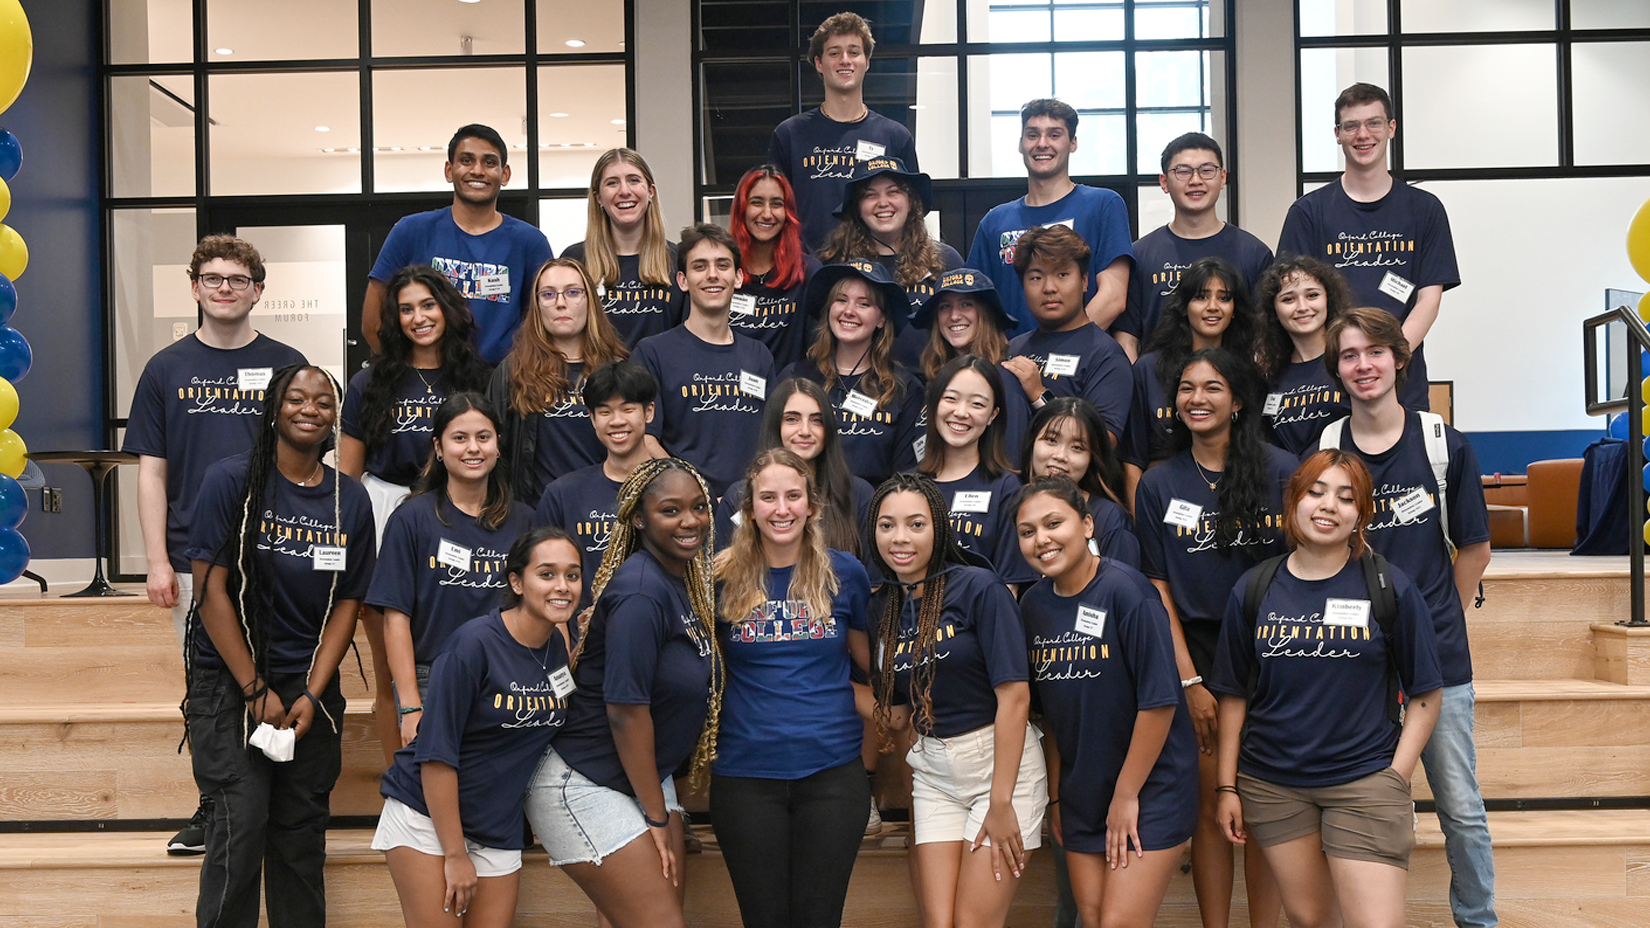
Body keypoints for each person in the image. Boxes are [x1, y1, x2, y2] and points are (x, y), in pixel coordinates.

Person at [123, 233, 308, 856]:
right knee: (210, 689)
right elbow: (152, 471)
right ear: (195, 286)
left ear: (258, 290)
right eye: (213, 278)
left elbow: (308, 458)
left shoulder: (287, 364)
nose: (225, 288)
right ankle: (215, 807)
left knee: (280, 675)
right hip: (195, 559)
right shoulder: (165, 369)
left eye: (237, 279)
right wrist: (155, 562)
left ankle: (279, 804)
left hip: (279, 552)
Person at [1316, 306, 1495, 928]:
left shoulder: (1441, 443)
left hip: (1438, 659)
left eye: (1374, 352)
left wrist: (1437, 616)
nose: (1363, 365)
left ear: (1399, 359)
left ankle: (1478, 919)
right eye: (1348, 355)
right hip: (1353, 658)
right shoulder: (1328, 448)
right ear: (1337, 369)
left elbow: (1473, 547)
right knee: (1357, 805)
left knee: (1461, 807)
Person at [1211, 451, 1444, 928]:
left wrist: (1396, 777)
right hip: (1273, 784)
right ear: (1293, 501)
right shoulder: (1254, 587)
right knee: (1310, 919)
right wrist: (1227, 785)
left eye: (1346, 497)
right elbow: (1233, 696)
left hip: (1364, 780)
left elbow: (1425, 695)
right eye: (1316, 492)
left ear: (1362, 513)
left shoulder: (1389, 587)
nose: (1328, 506)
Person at [184, 363, 376, 927]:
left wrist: (313, 695)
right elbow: (210, 590)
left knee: (299, 836)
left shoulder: (351, 501)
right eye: (296, 397)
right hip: (230, 681)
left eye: (323, 401)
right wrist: (253, 687)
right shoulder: (231, 479)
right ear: (273, 407)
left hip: (309, 687)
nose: (309, 408)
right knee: (238, 826)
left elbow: (348, 602)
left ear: (335, 418)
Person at [524, 458, 722, 928]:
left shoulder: (675, 581)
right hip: (584, 780)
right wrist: (655, 817)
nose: (689, 520)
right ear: (638, 517)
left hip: (641, 777)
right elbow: (625, 711)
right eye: (670, 510)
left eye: (698, 508)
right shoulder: (639, 591)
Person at [1133, 348, 1293, 928]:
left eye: (1213, 387)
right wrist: (1191, 680)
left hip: (1272, 654)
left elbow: (1304, 568)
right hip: (1195, 656)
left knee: (1263, 809)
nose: (1197, 398)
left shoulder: (1281, 470)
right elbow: (1156, 586)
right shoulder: (1157, 483)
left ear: (1240, 400)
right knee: (1208, 807)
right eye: (1186, 387)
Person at [1013, 476, 1197, 928]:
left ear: (1088, 525)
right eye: (1027, 531)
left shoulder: (1128, 593)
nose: (1042, 539)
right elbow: (1050, 716)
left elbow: (1159, 704)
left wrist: (1126, 794)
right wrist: (1058, 798)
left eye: (1054, 523)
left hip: (1149, 787)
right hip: (1082, 793)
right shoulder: (1033, 606)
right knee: (1093, 919)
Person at [374, 526, 581, 928]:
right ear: (517, 582)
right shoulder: (472, 646)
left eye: (572, 575)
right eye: (547, 574)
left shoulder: (557, 647)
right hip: (428, 820)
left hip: (495, 825)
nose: (563, 586)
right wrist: (455, 854)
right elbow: (435, 756)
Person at [866, 472, 1046, 928]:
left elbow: (1016, 699)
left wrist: (1001, 803)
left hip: (1000, 771)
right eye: (887, 525)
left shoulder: (979, 587)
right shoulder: (883, 605)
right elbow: (900, 708)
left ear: (939, 528)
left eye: (915, 524)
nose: (899, 538)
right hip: (935, 776)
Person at [710, 448, 874, 928]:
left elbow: (872, 668)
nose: (781, 508)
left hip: (832, 777)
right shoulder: (718, 577)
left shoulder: (846, 574)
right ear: (750, 508)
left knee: (818, 919)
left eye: (792, 496)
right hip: (745, 777)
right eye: (768, 497)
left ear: (812, 506)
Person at [366, 392, 535, 748]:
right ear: (439, 448)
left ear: (498, 445)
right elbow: (395, 618)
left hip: (509, 678)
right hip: (432, 680)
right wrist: (410, 706)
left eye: (483, 437)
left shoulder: (526, 521)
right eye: (460, 438)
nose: (473, 448)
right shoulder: (410, 519)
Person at [1277, 83, 1460, 412]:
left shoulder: (1425, 209)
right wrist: (1346, 361)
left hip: (1403, 384)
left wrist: (1388, 359)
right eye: (1351, 126)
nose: (1363, 134)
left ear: (1391, 128)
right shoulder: (1307, 213)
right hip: (1330, 384)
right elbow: (1297, 304)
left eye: (1374, 123)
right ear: (1338, 134)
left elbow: (1428, 300)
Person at [364, 124, 553, 365]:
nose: (477, 170)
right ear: (449, 170)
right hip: (429, 385)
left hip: (501, 387)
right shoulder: (410, 231)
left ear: (505, 174)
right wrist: (410, 379)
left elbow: (543, 326)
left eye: (489, 162)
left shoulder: (530, 242)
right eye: (466, 160)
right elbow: (373, 324)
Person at [342, 264, 493, 533]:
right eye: (406, 309)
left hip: (459, 504)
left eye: (428, 305)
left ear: (446, 308)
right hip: (382, 507)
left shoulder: (480, 379)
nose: (419, 318)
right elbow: (348, 473)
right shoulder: (368, 382)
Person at [966, 98, 1133, 338]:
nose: (1042, 144)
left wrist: (1056, 352)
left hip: (1081, 364)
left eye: (1054, 135)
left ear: (1073, 143)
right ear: (1021, 144)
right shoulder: (995, 221)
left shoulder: (1103, 205)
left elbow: (1113, 297)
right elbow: (977, 304)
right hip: (1011, 365)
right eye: (1032, 135)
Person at [634, 223, 776, 499]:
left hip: (748, 507)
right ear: (683, 281)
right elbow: (645, 439)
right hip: (684, 506)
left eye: (722, 265)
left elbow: (771, 440)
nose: (712, 275)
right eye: (700, 266)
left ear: (737, 277)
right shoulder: (653, 353)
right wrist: (696, 494)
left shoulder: (759, 356)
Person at [769, 11, 918, 253]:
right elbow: (775, 210)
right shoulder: (790, 135)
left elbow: (912, 213)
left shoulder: (895, 136)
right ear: (819, 63)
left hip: (876, 273)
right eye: (835, 53)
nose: (845, 60)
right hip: (806, 272)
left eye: (854, 52)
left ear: (867, 62)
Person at [488, 256, 630, 507]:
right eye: (548, 295)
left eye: (573, 292)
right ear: (537, 305)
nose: (560, 303)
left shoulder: (619, 369)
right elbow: (493, 451)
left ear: (590, 301)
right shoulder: (513, 371)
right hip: (538, 515)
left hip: (607, 514)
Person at [1118, 132, 1274, 361]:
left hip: (1234, 388)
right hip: (1157, 387)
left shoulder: (1254, 254)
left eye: (1207, 170)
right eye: (1182, 171)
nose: (1195, 180)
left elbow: (1266, 336)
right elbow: (1127, 337)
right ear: (1164, 182)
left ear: (1222, 178)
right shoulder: (1140, 255)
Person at [1120, 256, 1261, 505]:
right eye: (1201, 296)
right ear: (1184, 306)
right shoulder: (1148, 369)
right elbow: (1132, 461)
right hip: (1161, 501)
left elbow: (1255, 448)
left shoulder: (1249, 372)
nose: (1213, 306)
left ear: (1235, 309)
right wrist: (1140, 526)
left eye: (1224, 297)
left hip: (1235, 499)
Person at [779, 259, 925, 486]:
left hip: (873, 514)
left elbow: (905, 477)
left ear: (881, 319)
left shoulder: (905, 390)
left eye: (863, 304)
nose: (849, 311)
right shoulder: (795, 378)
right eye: (841, 300)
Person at [535, 360, 662, 608]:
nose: (616, 421)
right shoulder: (562, 495)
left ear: (649, 412)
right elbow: (542, 577)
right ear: (592, 419)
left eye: (627, 410)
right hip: (583, 640)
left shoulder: (683, 490)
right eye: (605, 412)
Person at [713, 377, 874, 563]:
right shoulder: (738, 497)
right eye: (792, 419)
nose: (805, 430)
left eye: (817, 420)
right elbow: (722, 578)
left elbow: (873, 584)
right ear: (775, 425)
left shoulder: (859, 494)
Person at [1003, 224, 1134, 441]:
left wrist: (1039, 395)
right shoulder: (1012, 349)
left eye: (1062, 274)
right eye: (1036, 277)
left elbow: (1102, 442)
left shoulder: (1105, 356)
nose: (1049, 288)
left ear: (1084, 281)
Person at [917, 355, 1037, 587]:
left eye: (977, 404)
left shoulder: (1006, 489)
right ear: (933, 405)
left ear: (993, 415)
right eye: (951, 399)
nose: (961, 412)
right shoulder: (908, 485)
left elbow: (1008, 586)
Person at [562, 148, 687, 347]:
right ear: (598, 198)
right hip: (595, 378)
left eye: (634, 180)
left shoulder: (679, 259)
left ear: (650, 192)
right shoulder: (575, 260)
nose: (624, 191)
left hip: (660, 377)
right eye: (612, 183)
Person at [911, 268, 1032, 465]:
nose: (954, 316)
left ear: (986, 313)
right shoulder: (935, 379)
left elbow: (1010, 465)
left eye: (966, 305)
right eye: (944, 307)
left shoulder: (1004, 381)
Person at [818, 156, 962, 322]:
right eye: (870, 195)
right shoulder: (836, 263)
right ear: (857, 208)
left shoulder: (945, 260)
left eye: (893, 192)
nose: (883, 203)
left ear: (911, 202)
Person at [1020, 397, 1138, 569]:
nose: (1060, 456)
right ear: (1032, 442)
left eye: (1077, 447)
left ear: (1092, 457)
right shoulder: (1009, 503)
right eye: (1051, 440)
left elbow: (1124, 589)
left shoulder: (1110, 518)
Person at [1253, 255, 1353, 455]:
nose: (1302, 307)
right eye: (1288, 299)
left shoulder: (1351, 362)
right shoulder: (1267, 375)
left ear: (1328, 299)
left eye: (1312, 295)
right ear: (1274, 309)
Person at [727, 165, 820, 371]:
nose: (767, 214)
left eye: (776, 204)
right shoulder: (723, 272)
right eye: (757, 202)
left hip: (789, 396)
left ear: (788, 213)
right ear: (741, 208)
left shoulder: (808, 273)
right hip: (729, 397)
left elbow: (817, 352)